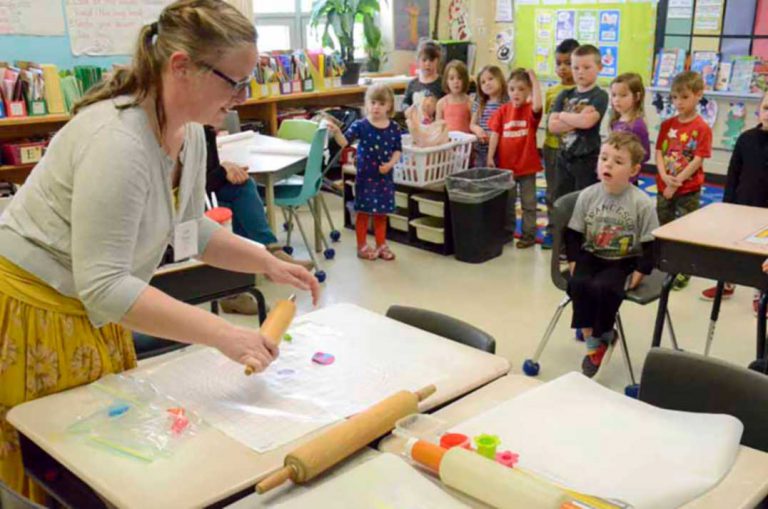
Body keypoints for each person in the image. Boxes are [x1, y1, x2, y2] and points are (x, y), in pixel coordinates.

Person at [0, 0, 320, 499]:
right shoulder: (118, 142)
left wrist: (266, 261)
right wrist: (223, 335)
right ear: (180, 67)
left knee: (100, 458)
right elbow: (105, 286)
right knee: (55, 467)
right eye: (233, 81)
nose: (241, 97)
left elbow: (189, 228)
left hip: (90, 310)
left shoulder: (190, 133)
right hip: (39, 309)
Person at [566, 132, 659, 377]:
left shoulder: (642, 203)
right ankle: (595, 343)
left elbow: (651, 244)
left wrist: (640, 272)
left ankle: (602, 334)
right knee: (579, 284)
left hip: (624, 260)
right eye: (604, 158)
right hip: (592, 253)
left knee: (605, 288)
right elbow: (573, 233)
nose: (607, 164)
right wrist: (574, 261)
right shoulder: (588, 195)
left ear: (634, 170)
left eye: (618, 161)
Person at [203, 126, 314, 315]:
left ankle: (272, 251)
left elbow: (208, 170)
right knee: (231, 212)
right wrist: (223, 171)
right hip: (190, 202)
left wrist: (226, 167)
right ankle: (232, 294)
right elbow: (192, 184)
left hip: (208, 190)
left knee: (244, 186)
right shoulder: (187, 130)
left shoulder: (206, 129)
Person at [701, 90, 768, 314]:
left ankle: (762, 292)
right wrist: (726, 204)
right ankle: (726, 283)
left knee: (762, 253)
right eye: (767, 108)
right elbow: (733, 174)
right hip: (740, 204)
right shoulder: (746, 139)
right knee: (732, 248)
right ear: (760, 110)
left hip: (765, 211)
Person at [328, 84, 402, 261]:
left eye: (381, 103)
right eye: (373, 102)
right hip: (365, 177)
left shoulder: (394, 128)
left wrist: (390, 164)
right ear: (367, 104)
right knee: (363, 211)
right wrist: (337, 131)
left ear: (389, 106)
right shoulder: (361, 125)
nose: (376, 106)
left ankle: (381, 244)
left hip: (385, 178)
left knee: (381, 213)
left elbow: (397, 150)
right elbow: (345, 142)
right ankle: (362, 245)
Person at [655, 71, 712, 290]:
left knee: (685, 230)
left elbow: (698, 159)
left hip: (687, 189)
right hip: (663, 186)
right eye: (675, 98)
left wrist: (675, 181)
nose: (679, 102)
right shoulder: (667, 125)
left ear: (698, 95)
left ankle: (684, 271)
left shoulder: (702, 128)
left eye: (684, 97)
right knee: (664, 226)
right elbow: (659, 151)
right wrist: (662, 176)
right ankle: (666, 266)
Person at [487, 68, 543, 248]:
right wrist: (490, 156)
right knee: (508, 204)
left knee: (529, 204)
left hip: (527, 167)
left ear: (528, 91)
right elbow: (495, 134)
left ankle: (528, 235)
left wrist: (534, 80)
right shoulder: (503, 111)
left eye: (520, 89)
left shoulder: (530, 111)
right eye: (512, 89)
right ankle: (508, 233)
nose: (515, 93)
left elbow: (537, 105)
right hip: (507, 168)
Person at [548, 44, 609, 200]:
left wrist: (562, 115)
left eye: (586, 67)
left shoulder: (600, 95)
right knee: (561, 200)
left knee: (584, 200)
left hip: (586, 159)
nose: (580, 72)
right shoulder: (565, 94)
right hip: (564, 157)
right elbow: (552, 126)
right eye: (576, 68)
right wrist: (578, 118)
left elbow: (588, 122)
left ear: (599, 67)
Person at [541, 38, 578, 249]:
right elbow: (550, 120)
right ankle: (552, 231)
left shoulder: (583, 92)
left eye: (567, 63)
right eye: (559, 63)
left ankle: (570, 235)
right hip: (552, 148)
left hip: (574, 150)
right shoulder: (551, 92)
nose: (562, 68)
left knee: (572, 192)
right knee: (552, 191)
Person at [470, 65, 508, 168]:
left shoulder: (506, 103)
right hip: (481, 150)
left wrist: (493, 136)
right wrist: (478, 130)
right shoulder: (480, 103)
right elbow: (472, 124)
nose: (487, 83)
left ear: (500, 78)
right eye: (483, 82)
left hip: (500, 151)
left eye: (490, 78)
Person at [609, 73, 650, 165]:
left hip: (628, 175)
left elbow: (645, 155)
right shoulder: (616, 121)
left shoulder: (637, 125)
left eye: (623, 95)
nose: (616, 100)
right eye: (614, 95)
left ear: (636, 97)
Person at [402, 40, 444, 112]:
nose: (427, 63)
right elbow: (405, 103)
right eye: (424, 60)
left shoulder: (443, 83)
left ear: (438, 61)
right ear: (418, 61)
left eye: (431, 60)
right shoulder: (412, 84)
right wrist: (407, 109)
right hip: (416, 121)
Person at [435, 60, 472, 133]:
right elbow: (438, 127)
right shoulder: (441, 103)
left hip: (465, 142)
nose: (456, 81)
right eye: (451, 78)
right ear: (446, 81)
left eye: (459, 78)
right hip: (447, 142)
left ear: (465, 80)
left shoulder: (470, 102)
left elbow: (473, 125)